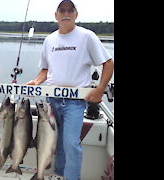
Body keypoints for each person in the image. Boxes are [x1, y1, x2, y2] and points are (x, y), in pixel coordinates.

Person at [25, 0, 114, 180]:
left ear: (76, 14)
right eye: (62, 10)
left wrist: (100, 89)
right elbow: (45, 69)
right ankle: (58, 174)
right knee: (57, 141)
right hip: (51, 101)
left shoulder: (87, 36)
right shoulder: (49, 40)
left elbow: (108, 63)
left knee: (71, 143)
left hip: (75, 102)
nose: (66, 13)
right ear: (56, 15)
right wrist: (36, 81)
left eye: (70, 10)